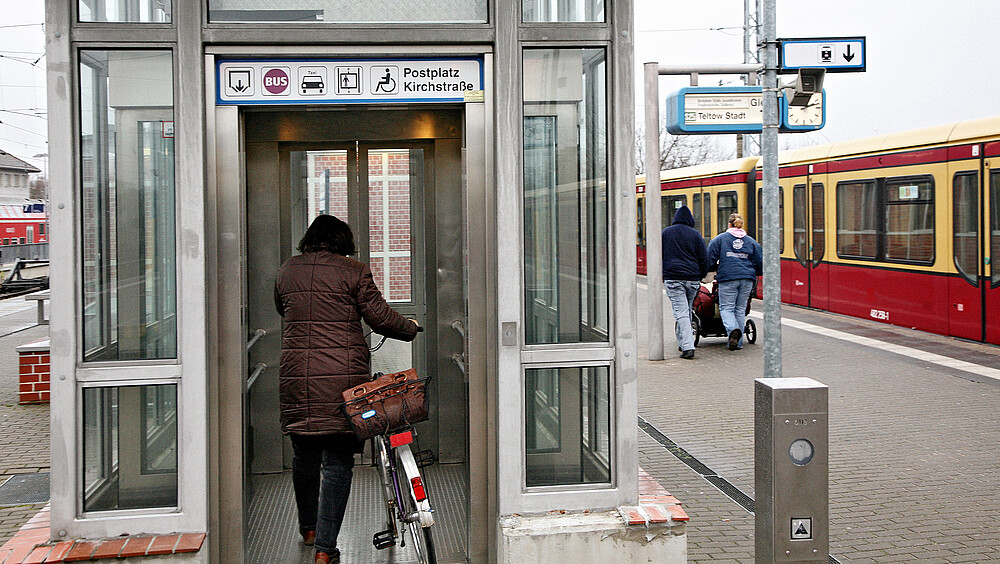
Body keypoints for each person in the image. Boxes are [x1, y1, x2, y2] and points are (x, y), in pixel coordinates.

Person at [274, 215, 420, 564]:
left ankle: (309, 529)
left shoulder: (287, 270)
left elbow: (283, 309)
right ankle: (325, 549)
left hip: (297, 379)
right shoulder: (353, 271)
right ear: (344, 241)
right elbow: (380, 317)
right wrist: (410, 328)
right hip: (343, 383)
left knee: (304, 455)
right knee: (338, 464)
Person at [661, 204, 711, 359]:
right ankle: (682, 342)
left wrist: (661, 273)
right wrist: (702, 275)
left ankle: (688, 347)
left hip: (673, 278)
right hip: (693, 279)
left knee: (681, 312)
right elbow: (704, 258)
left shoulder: (666, 233)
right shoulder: (695, 235)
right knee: (686, 311)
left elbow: (657, 254)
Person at [707, 213, 763, 351]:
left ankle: (733, 330)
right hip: (747, 279)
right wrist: (757, 272)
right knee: (740, 308)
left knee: (726, 307)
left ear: (729, 224)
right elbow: (759, 260)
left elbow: (710, 257)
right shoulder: (751, 241)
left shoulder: (720, 239)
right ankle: (738, 343)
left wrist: (712, 269)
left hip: (728, 278)